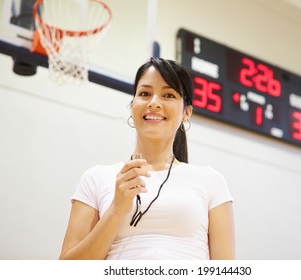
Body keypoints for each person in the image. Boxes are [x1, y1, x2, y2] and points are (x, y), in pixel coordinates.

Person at [59, 57, 235, 260]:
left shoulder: (211, 181)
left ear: (187, 113)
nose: (154, 103)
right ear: (132, 105)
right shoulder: (96, 177)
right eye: (144, 93)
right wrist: (116, 210)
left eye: (168, 95)